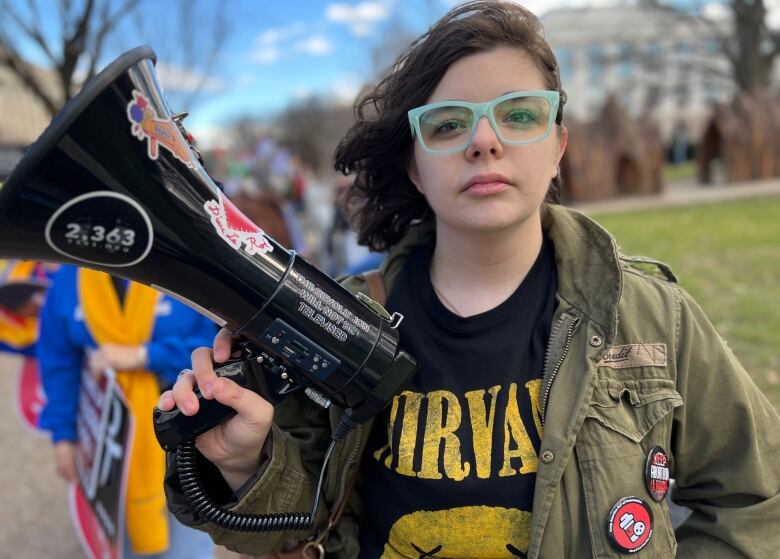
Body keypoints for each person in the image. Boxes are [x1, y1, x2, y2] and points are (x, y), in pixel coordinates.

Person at [159, 2, 780, 557]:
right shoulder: (336, 326)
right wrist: (245, 466)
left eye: (518, 114)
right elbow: (298, 534)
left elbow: (758, 500)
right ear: (414, 166)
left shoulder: (653, 317)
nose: (484, 140)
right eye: (449, 124)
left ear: (558, 145)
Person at [38, 265, 218, 559]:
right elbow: (60, 360)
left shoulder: (181, 267)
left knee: (187, 546)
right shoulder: (68, 277)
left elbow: (217, 346)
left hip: (187, 430)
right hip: (109, 439)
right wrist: (63, 436)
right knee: (122, 543)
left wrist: (144, 356)